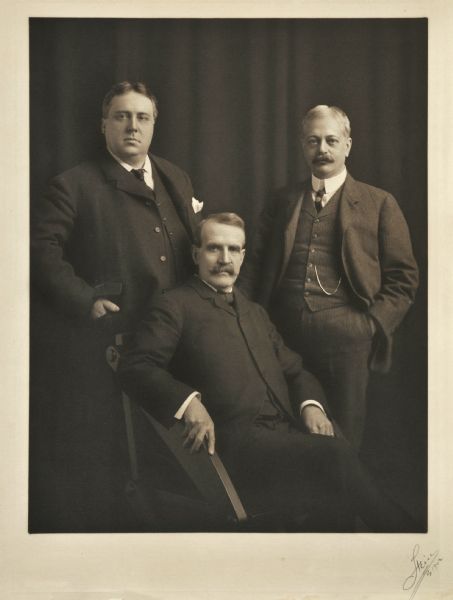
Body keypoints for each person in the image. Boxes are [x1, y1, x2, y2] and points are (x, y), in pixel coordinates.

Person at [118, 212, 420, 532]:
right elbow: (135, 366)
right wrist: (189, 402)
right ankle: (405, 539)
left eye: (234, 250)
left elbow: (296, 370)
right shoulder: (175, 306)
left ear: (244, 255)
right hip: (234, 447)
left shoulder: (255, 313)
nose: (224, 259)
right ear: (196, 254)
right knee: (334, 457)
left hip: (285, 437)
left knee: (333, 448)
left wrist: (311, 407)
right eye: (214, 248)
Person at [30, 81, 203, 532]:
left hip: (180, 339)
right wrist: (84, 300)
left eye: (142, 117)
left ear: (153, 125)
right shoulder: (74, 183)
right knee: (117, 454)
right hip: (116, 339)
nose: (132, 126)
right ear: (103, 124)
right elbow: (41, 252)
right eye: (122, 116)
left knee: (178, 459)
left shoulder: (175, 176)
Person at [239, 105, 419, 450]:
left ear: (348, 145)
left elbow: (403, 279)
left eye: (331, 140)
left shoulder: (379, 203)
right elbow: (255, 265)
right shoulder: (282, 201)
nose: (322, 149)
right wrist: (246, 319)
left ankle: (340, 504)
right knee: (285, 431)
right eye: (313, 140)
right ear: (303, 146)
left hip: (347, 342)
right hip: (282, 336)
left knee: (343, 441)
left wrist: (369, 325)